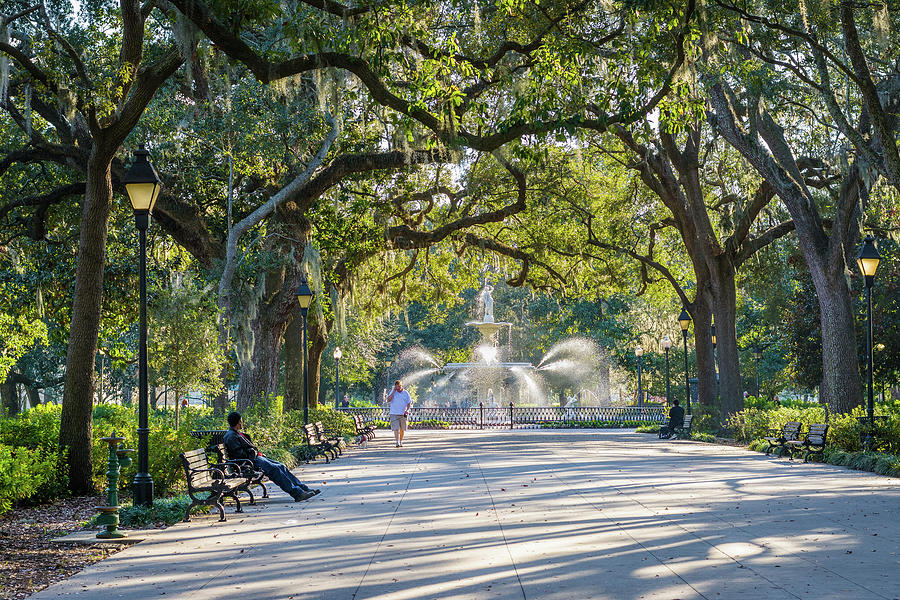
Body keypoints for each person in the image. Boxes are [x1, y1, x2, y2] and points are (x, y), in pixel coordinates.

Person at [223, 412, 320, 502]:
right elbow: (239, 455)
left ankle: (303, 489)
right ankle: (297, 494)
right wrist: (252, 452)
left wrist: (255, 452)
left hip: (255, 459)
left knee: (280, 466)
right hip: (248, 463)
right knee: (275, 469)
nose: (242, 422)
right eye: (241, 420)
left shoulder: (235, 433)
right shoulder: (231, 436)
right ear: (238, 422)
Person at [385, 379, 412, 447]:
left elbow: (409, 403)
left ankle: (401, 441)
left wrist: (407, 410)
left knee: (402, 429)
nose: (397, 389)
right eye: (396, 387)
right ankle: (397, 442)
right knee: (396, 428)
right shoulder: (393, 391)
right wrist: (393, 391)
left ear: (401, 386)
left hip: (403, 414)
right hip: (394, 413)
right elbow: (388, 400)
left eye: (398, 387)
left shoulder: (406, 393)